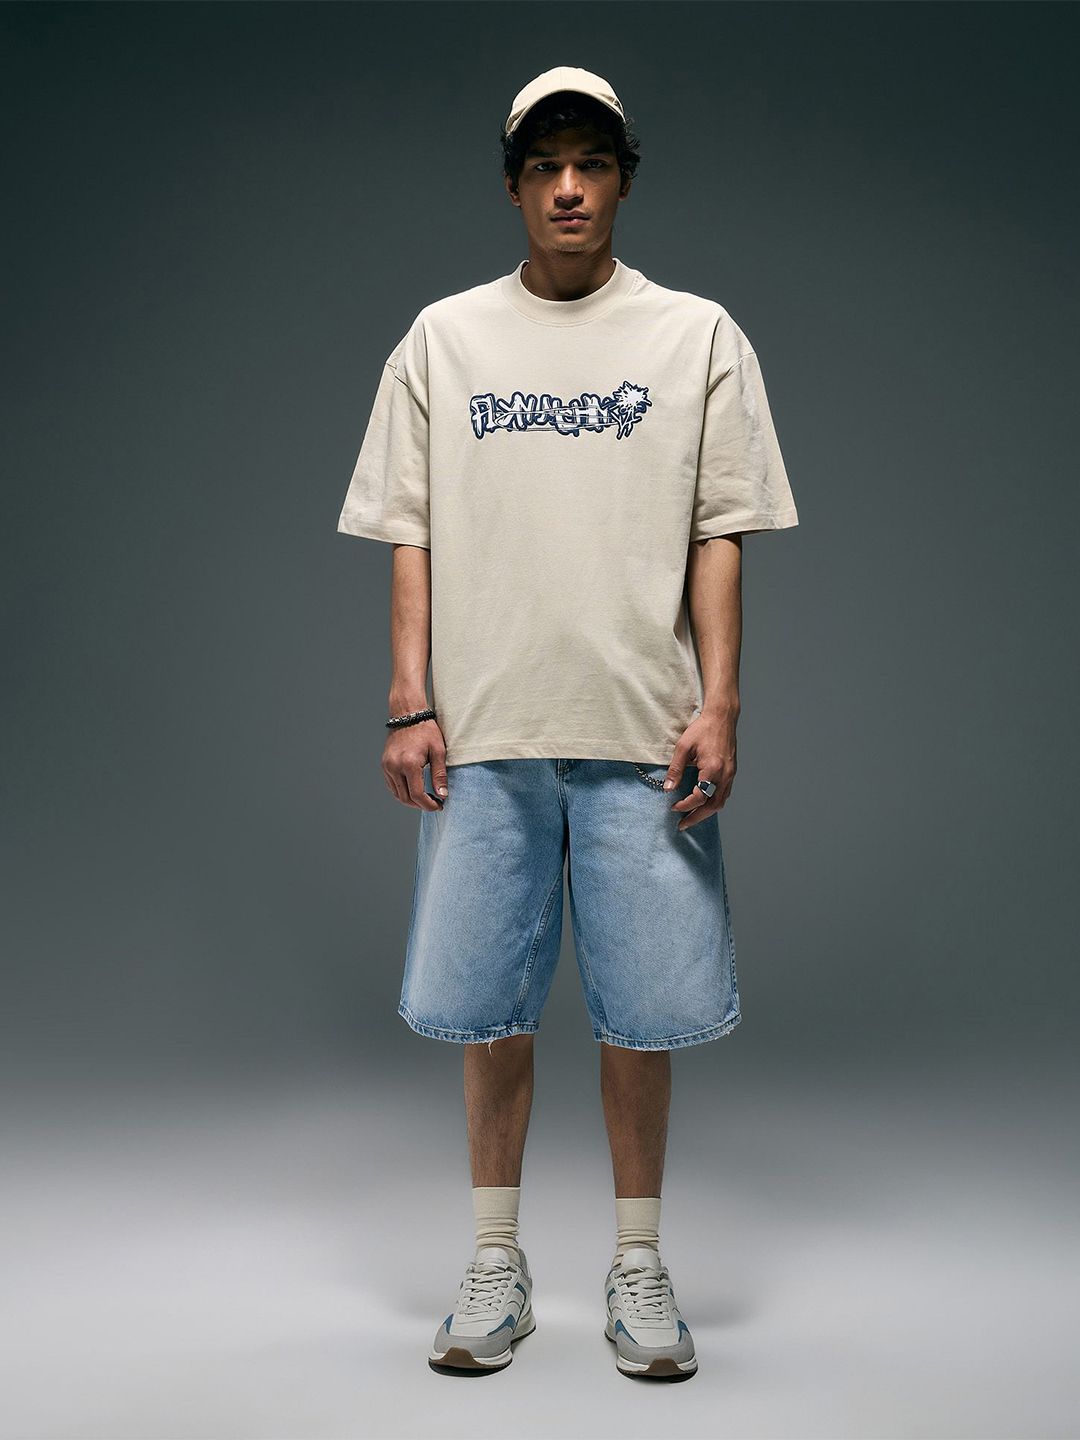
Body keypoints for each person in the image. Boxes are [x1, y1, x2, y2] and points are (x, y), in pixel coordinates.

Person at [336, 65, 799, 1381]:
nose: (570, 188)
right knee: (491, 1004)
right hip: (485, 730)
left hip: (643, 733)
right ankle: (497, 1258)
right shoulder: (444, 339)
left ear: (624, 182)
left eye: (592, 162)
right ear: (513, 188)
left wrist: (719, 700)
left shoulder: (695, 337)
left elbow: (720, 531)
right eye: (545, 166)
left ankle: (638, 1264)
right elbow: (410, 530)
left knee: (642, 1014)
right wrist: (410, 700)